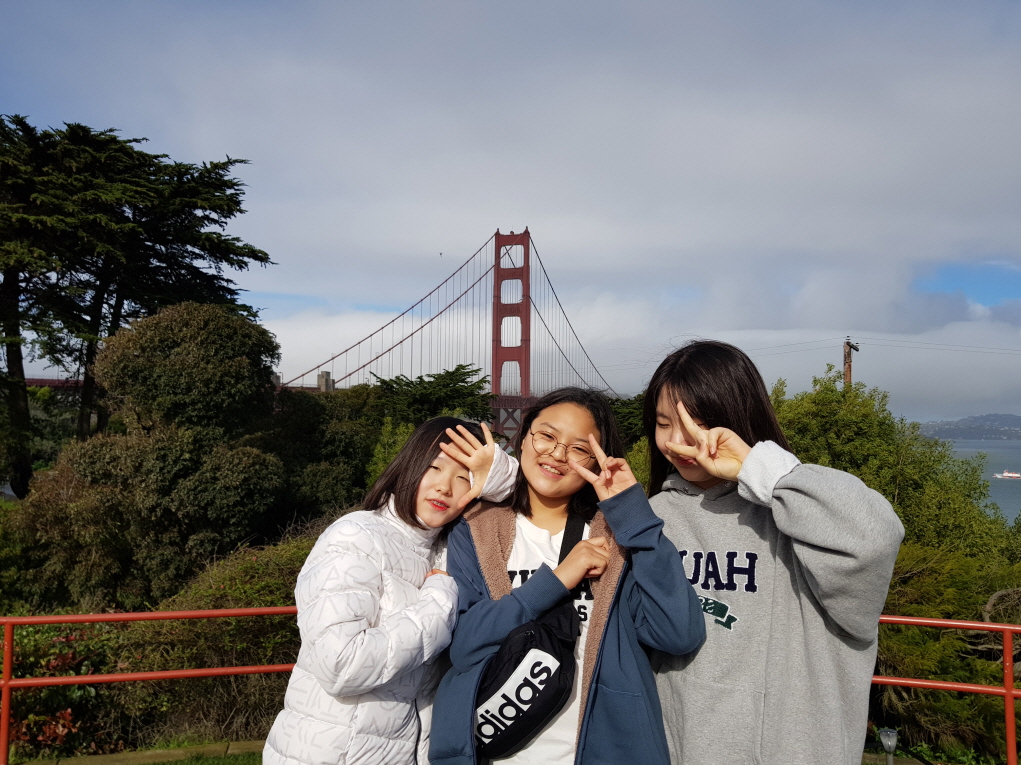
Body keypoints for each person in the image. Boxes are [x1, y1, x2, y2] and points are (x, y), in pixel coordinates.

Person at [642, 340, 905, 765]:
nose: (677, 441)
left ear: (735, 419)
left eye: (698, 424)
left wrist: (757, 469)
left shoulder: (798, 512)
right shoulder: (652, 519)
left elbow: (875, 537)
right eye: (662, 423)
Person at [429, 388, 705, 765]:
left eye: (579, 448)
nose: (558, 454)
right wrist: (558, 580)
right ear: (523, 438)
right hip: (500, 753)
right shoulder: (476, 528)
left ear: (597, 460)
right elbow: (465, 647)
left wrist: (636, 519)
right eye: (546, 435)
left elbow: (678, 633)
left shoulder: (615, 539)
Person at [263, 416, 517, 765]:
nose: (445, 487)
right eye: (434, 468)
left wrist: (496, 471)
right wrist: (438, 600)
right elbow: (341, 665)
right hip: (330, 754)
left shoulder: (445, 549)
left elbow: (527, 495)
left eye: (464, 478)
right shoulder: (356, 535)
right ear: (409, 466)